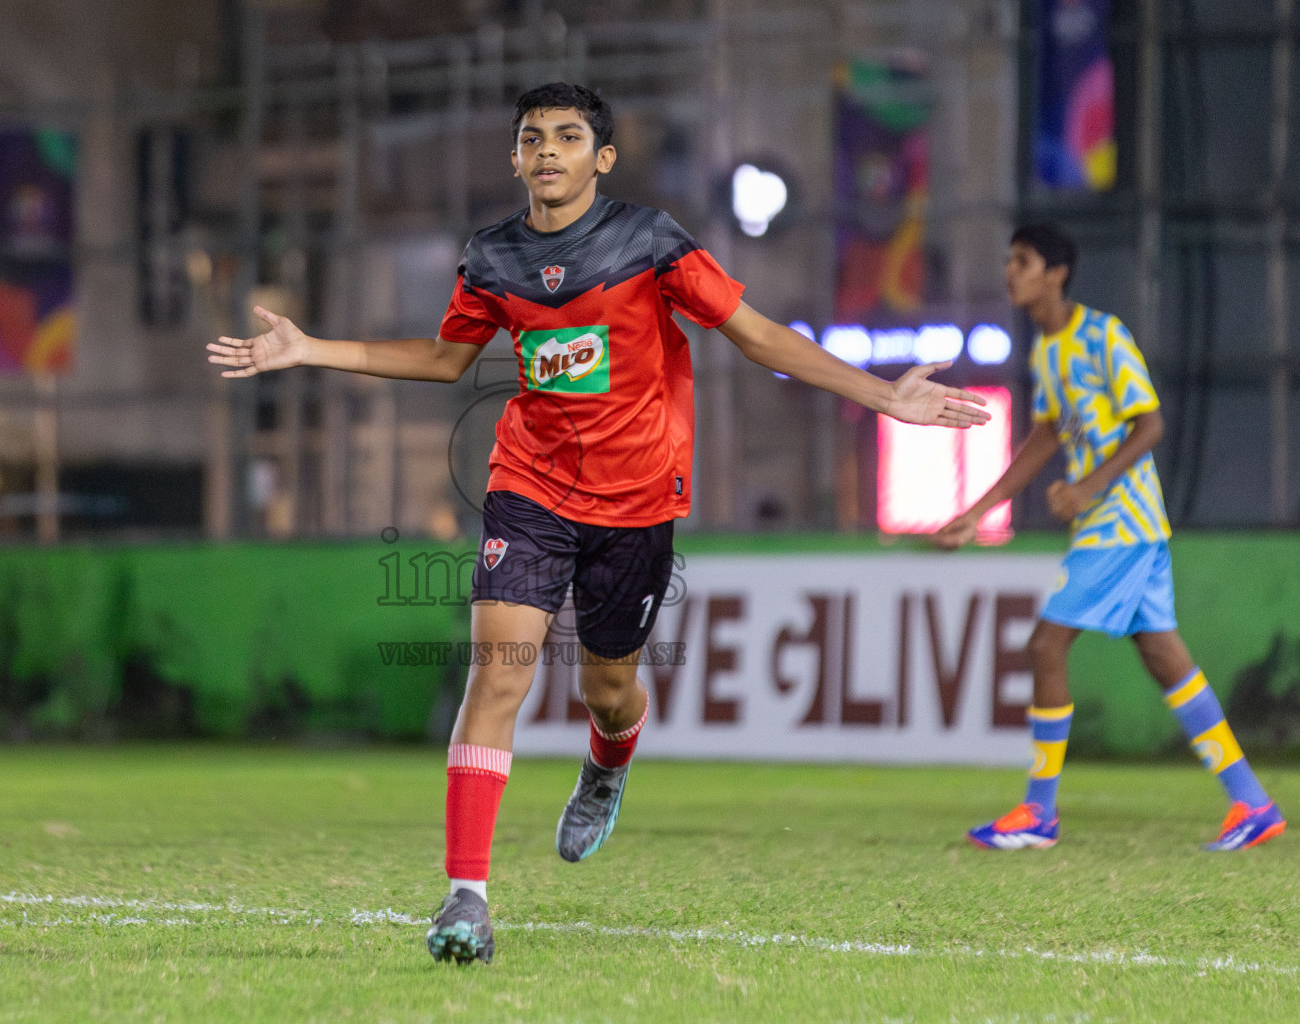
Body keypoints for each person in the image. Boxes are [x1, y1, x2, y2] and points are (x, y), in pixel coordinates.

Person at [209, 83, 988, 964]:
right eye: (532, 138)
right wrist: (311, 347)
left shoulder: (649, 243)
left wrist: (886, 396)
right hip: (529, 489)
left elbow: (760, 336)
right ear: (514, 158)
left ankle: (607, 765)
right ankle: (466, 898)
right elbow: (444, 358)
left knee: (606, 692)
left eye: (569, 137)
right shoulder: (492, 258)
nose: (547, 151)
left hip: (638, 504)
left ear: (601, 158)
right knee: (497, 677)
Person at [934, 222, 1284, 853]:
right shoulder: (1047, 350)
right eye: (1009, 259)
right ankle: (1253, 803)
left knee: (1045, 647)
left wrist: (1090, 486)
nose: (1010, 270)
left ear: (1056, 272)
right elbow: (1046, 437)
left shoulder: (1102, 335)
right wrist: (980, 509)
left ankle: (1039, 812)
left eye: (1023, 260)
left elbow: (1149, 424)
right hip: (1124, 524)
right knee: (1162, 657)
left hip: (1120, 521)